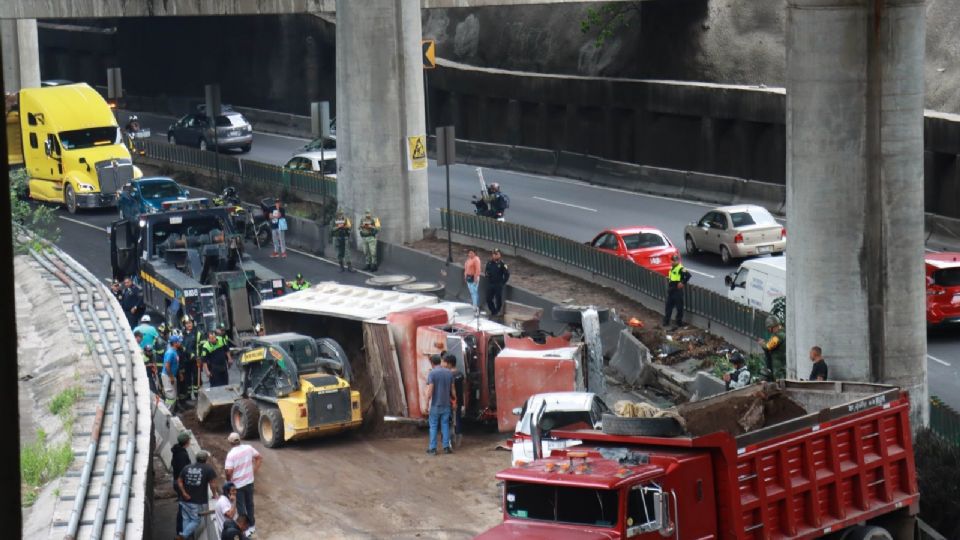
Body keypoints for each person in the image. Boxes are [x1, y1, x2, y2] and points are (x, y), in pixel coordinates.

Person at [225, 432, 263, 535]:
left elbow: (228, 472)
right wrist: (253, 471)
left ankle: (244, 530)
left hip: (238, 485)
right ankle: (252, 526)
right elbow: (259, 457)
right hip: (249, 482)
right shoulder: (248, 448)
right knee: (250, 505)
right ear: (239, 440)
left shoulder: (231, 455)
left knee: (241, 508)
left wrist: (228, 481)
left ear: (230, 442)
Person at [176, 450, 219, 540]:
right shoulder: (208, 469)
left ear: (196, 458)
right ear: (206, 459)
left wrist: (184, 493)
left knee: (186, 519)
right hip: (196, 501)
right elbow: (212, 484)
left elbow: (179, 481)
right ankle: (183, 536)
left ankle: (184, 536)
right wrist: (215, 495)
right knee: (196, 520)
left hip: (184, 500)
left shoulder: (187, 467)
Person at [425, 354, 455, 455]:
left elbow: (430, 391)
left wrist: (426, 404)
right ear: (440, 361)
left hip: (435, 405)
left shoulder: (432, 373)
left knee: (433, 426)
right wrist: (455, 400)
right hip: (446, 404)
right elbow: (453, 390)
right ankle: (446, 447)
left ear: (432, 363)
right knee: (445, 425)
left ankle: (433, 449)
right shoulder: (449, 373)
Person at [170, 431, 192, 535]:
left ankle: (182, 531)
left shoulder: (177, 451)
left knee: (183, 507)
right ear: (186, 442)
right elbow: (184, 472)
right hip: (181, 484)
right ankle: (181, 532)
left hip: (177, 483)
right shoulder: (182, 455)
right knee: (183, 508)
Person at [663, 254, 691, 329]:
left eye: (674, 261)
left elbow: (688, 275)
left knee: (679, 307)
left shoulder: (681, 268)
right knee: (668, 306)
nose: (673, 262)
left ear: (677, 261)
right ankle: (666, 321)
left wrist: (682, 283)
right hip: (671, 289)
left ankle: (679, 322)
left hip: (677, 290)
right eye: (672, 260)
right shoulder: (672, 268)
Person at [758, 317, 786, 381]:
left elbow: (769, 346)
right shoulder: (780, 333)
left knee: (778, 381)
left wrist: (762, 344)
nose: (769, 331)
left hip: (778, 365)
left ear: (773, 326)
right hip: (778, 363)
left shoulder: (779, 335)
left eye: (769, 328)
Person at [445, 354, 465, 447]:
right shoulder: (460, 374)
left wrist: (453, 400)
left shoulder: (449, 375)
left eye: (445, 362)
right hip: (460, 400)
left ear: (449, 363)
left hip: (451, 400)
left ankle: (450, 440)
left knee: (449, 420)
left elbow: (450, 389)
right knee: (458, 419)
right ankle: (459, 439)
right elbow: (464, 387)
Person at [484, 249, 510, 317]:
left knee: (498, 299)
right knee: (488, 299)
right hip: (490, 283)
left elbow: (507, 274)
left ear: (499, 255)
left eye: (496, 254)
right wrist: (487, 276)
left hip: (498, 284)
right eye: (494, 254)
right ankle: (493, 311)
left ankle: (498, 311)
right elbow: (486, 271)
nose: (495, 255)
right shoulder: (489, 263)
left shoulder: (502, 264)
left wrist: (503, 282)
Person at [180, 317, 200, 400]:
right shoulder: (182, 334)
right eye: (187, 323)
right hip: (185, 361)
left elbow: (199, 346)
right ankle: (187, 396)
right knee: (187, 378)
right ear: (184, 325)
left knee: (196, 377)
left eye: (190, 323)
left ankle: (197, 395)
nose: (189, 325)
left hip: (195, 360)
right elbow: (181, 347)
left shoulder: (197, 333)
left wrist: (198, 357)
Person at [163, 334, 183, 412]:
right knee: (170, 397)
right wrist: (171, 377)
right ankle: (167, 413)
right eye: (179, 342)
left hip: (171, 376)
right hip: (168, 376)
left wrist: (179, 374)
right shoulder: (170, 352)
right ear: (175, 343)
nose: (180, 343)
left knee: (173, 396)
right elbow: (167, 366)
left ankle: (170, 412)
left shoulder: (174, 351)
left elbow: (175, 364)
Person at [330, 208, 354, 272]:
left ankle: (349, 266)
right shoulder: (334, 220)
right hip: (337, 238)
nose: (340, 215)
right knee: (339, 253)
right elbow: (331, 229)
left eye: (341, 214)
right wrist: (338, 227)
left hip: (344, 237)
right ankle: (341, 266)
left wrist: (345, 226)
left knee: (347, 252)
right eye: (339, 214)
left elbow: (350, 227)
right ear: (337, 214)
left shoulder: (346, 220)